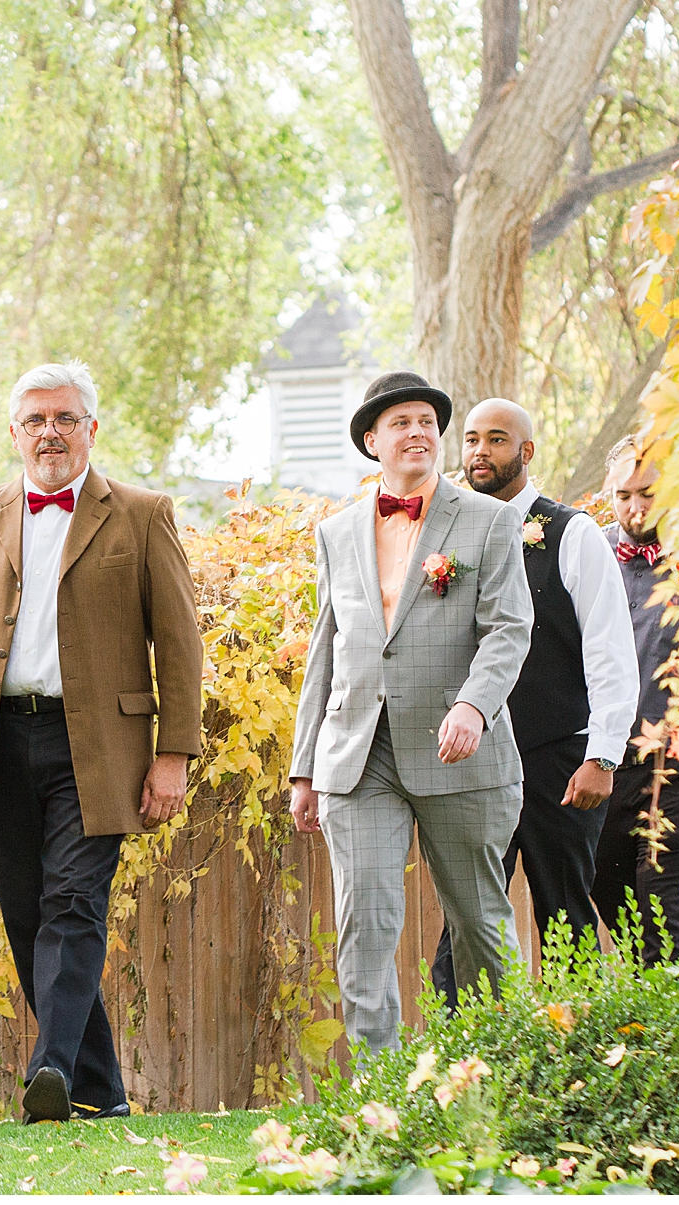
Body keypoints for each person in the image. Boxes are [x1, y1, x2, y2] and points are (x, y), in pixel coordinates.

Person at [0, 360, 202, 1123]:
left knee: (72, 901)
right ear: (14, 433)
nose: (50, 432)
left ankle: (51, 1072)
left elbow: (180, 638)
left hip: (98, 747)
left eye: (65, 418)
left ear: (91, 428)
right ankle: (100, 1088)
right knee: (28, 914)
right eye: (35, 420)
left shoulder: (141, 512)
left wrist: (173, 752)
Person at [288, 371, 533, 1055]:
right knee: (364, 920)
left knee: (480, 922)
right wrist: (304, 768)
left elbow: (510, 628)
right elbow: (324, 652)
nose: (418, 432)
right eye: (401, 422)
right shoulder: (337, 533)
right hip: (360, 756)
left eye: (427, 420)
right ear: (374, 440)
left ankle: (508, 1074)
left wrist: (473, 706)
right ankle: (380, 1088)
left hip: (462, 752)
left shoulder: (488, 520)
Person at [428, 399, 639, 1003]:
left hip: (559, 762)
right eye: (470, 440)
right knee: (465, 924)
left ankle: (574, 1072)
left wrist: (602, 755)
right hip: (475, 763)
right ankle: (456, 1066)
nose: (479, 453)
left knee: (565, 919)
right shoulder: (448, 536)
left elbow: (610, 651)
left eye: (496, 440)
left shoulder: (571, 534)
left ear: (525, 452)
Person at [589, 438, 679, 963]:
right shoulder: (590, 553)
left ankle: (669, 1025)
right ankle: (657, 1025)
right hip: (604, 761)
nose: (636, 508)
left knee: (665, 906)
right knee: (614, 901)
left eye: (648, 493)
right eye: (623, 496)